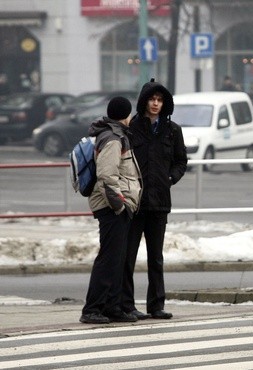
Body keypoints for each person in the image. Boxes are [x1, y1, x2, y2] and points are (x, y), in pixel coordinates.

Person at [122, 78, 188, 320]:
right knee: (128, 257)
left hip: (160, 201)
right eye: (152, 99)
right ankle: (127, 305)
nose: (156, 104)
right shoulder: (131, 128)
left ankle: (156, 305)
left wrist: (171, 177)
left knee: (156, 257)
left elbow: (182, 161)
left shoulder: (173, 130)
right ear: (144, 101)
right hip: (135, 202)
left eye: (160, 100)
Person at [80, 97, 142, 324]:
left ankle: (112, 307)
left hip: (114, 204)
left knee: (117, 258)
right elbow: (107, 176)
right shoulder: (113, 139)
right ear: (126, 115)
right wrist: (119, 205)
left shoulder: (112, 134)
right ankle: (92, 309)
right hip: (111, 206)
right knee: (108, 259)